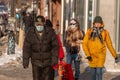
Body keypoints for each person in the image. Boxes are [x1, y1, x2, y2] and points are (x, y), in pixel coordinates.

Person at [23, 15, 60, 80]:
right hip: (36, 62)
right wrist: (25, 61)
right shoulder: (30, 33)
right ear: (35, 24)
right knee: (36, 78)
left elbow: (55, 46)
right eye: (37, 25)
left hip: (48, 62)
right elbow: (26, 48)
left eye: (41, 24)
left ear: (44, 24)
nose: (39, 26)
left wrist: (54, 59)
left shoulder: (50, 32)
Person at [82, 16, 119, 80]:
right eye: (96, 23)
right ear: (94, 23)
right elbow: (84, 43)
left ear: (101, 23)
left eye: (99, 23)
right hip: (91, 56)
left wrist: (115, 55)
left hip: (100, 55)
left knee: (99, 72)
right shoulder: (89, 31)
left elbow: (109, 45)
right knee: (93, 74)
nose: (97, 24)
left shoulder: (105, 32)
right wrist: (87, 54)